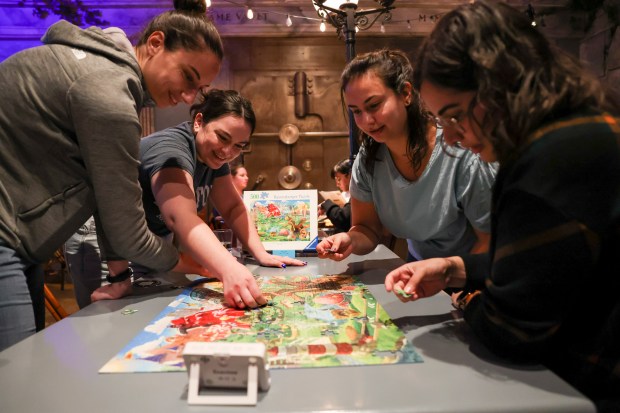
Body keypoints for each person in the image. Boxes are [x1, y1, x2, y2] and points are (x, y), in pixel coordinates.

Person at [384, 1, 620, 410]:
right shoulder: (591, 119)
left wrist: (465, 300)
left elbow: (512, 333)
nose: (453, 138)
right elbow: (550, 260)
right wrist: (457, 268)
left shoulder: (546, 160)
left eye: (456, 115)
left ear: (502, 82)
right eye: (442, 121)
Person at [0, 0, 223, 351]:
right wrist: (192, 265)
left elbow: (106, 196)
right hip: (6, 237)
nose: (187, 96)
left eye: (199, 90)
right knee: (15, 379)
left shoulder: (102, 73)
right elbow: (128, 228)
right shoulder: (108, 95)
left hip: (21, 242)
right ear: (155, 44)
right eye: (188, 77)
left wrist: (120, 274)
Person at [89, 89, 307, 309]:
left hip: (153, 243)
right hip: (111, 243)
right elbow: (180, 217)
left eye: (239, 146)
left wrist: (261, 253)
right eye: (222, 137)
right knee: (109, 321)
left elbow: (232, 207)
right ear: (199, 121)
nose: (227, 152)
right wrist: (228, 268)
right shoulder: (171, 151)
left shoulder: (213, 158)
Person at [316, 49, 497, 264]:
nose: (367, 120)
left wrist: (456, 280)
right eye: (356, 111)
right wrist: (349, 239)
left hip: (471, 269)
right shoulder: (369, 158)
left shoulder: (460, 150)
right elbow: (367, 229)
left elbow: (490, 239)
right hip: (417, 265)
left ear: (405, 93)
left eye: (374, 106)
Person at [318, 158, 352, 233]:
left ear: (350, 176)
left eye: (339, 179)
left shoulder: (358, 194)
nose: (337, 184)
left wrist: (327, 204)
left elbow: (343, 218)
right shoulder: (344, 194)